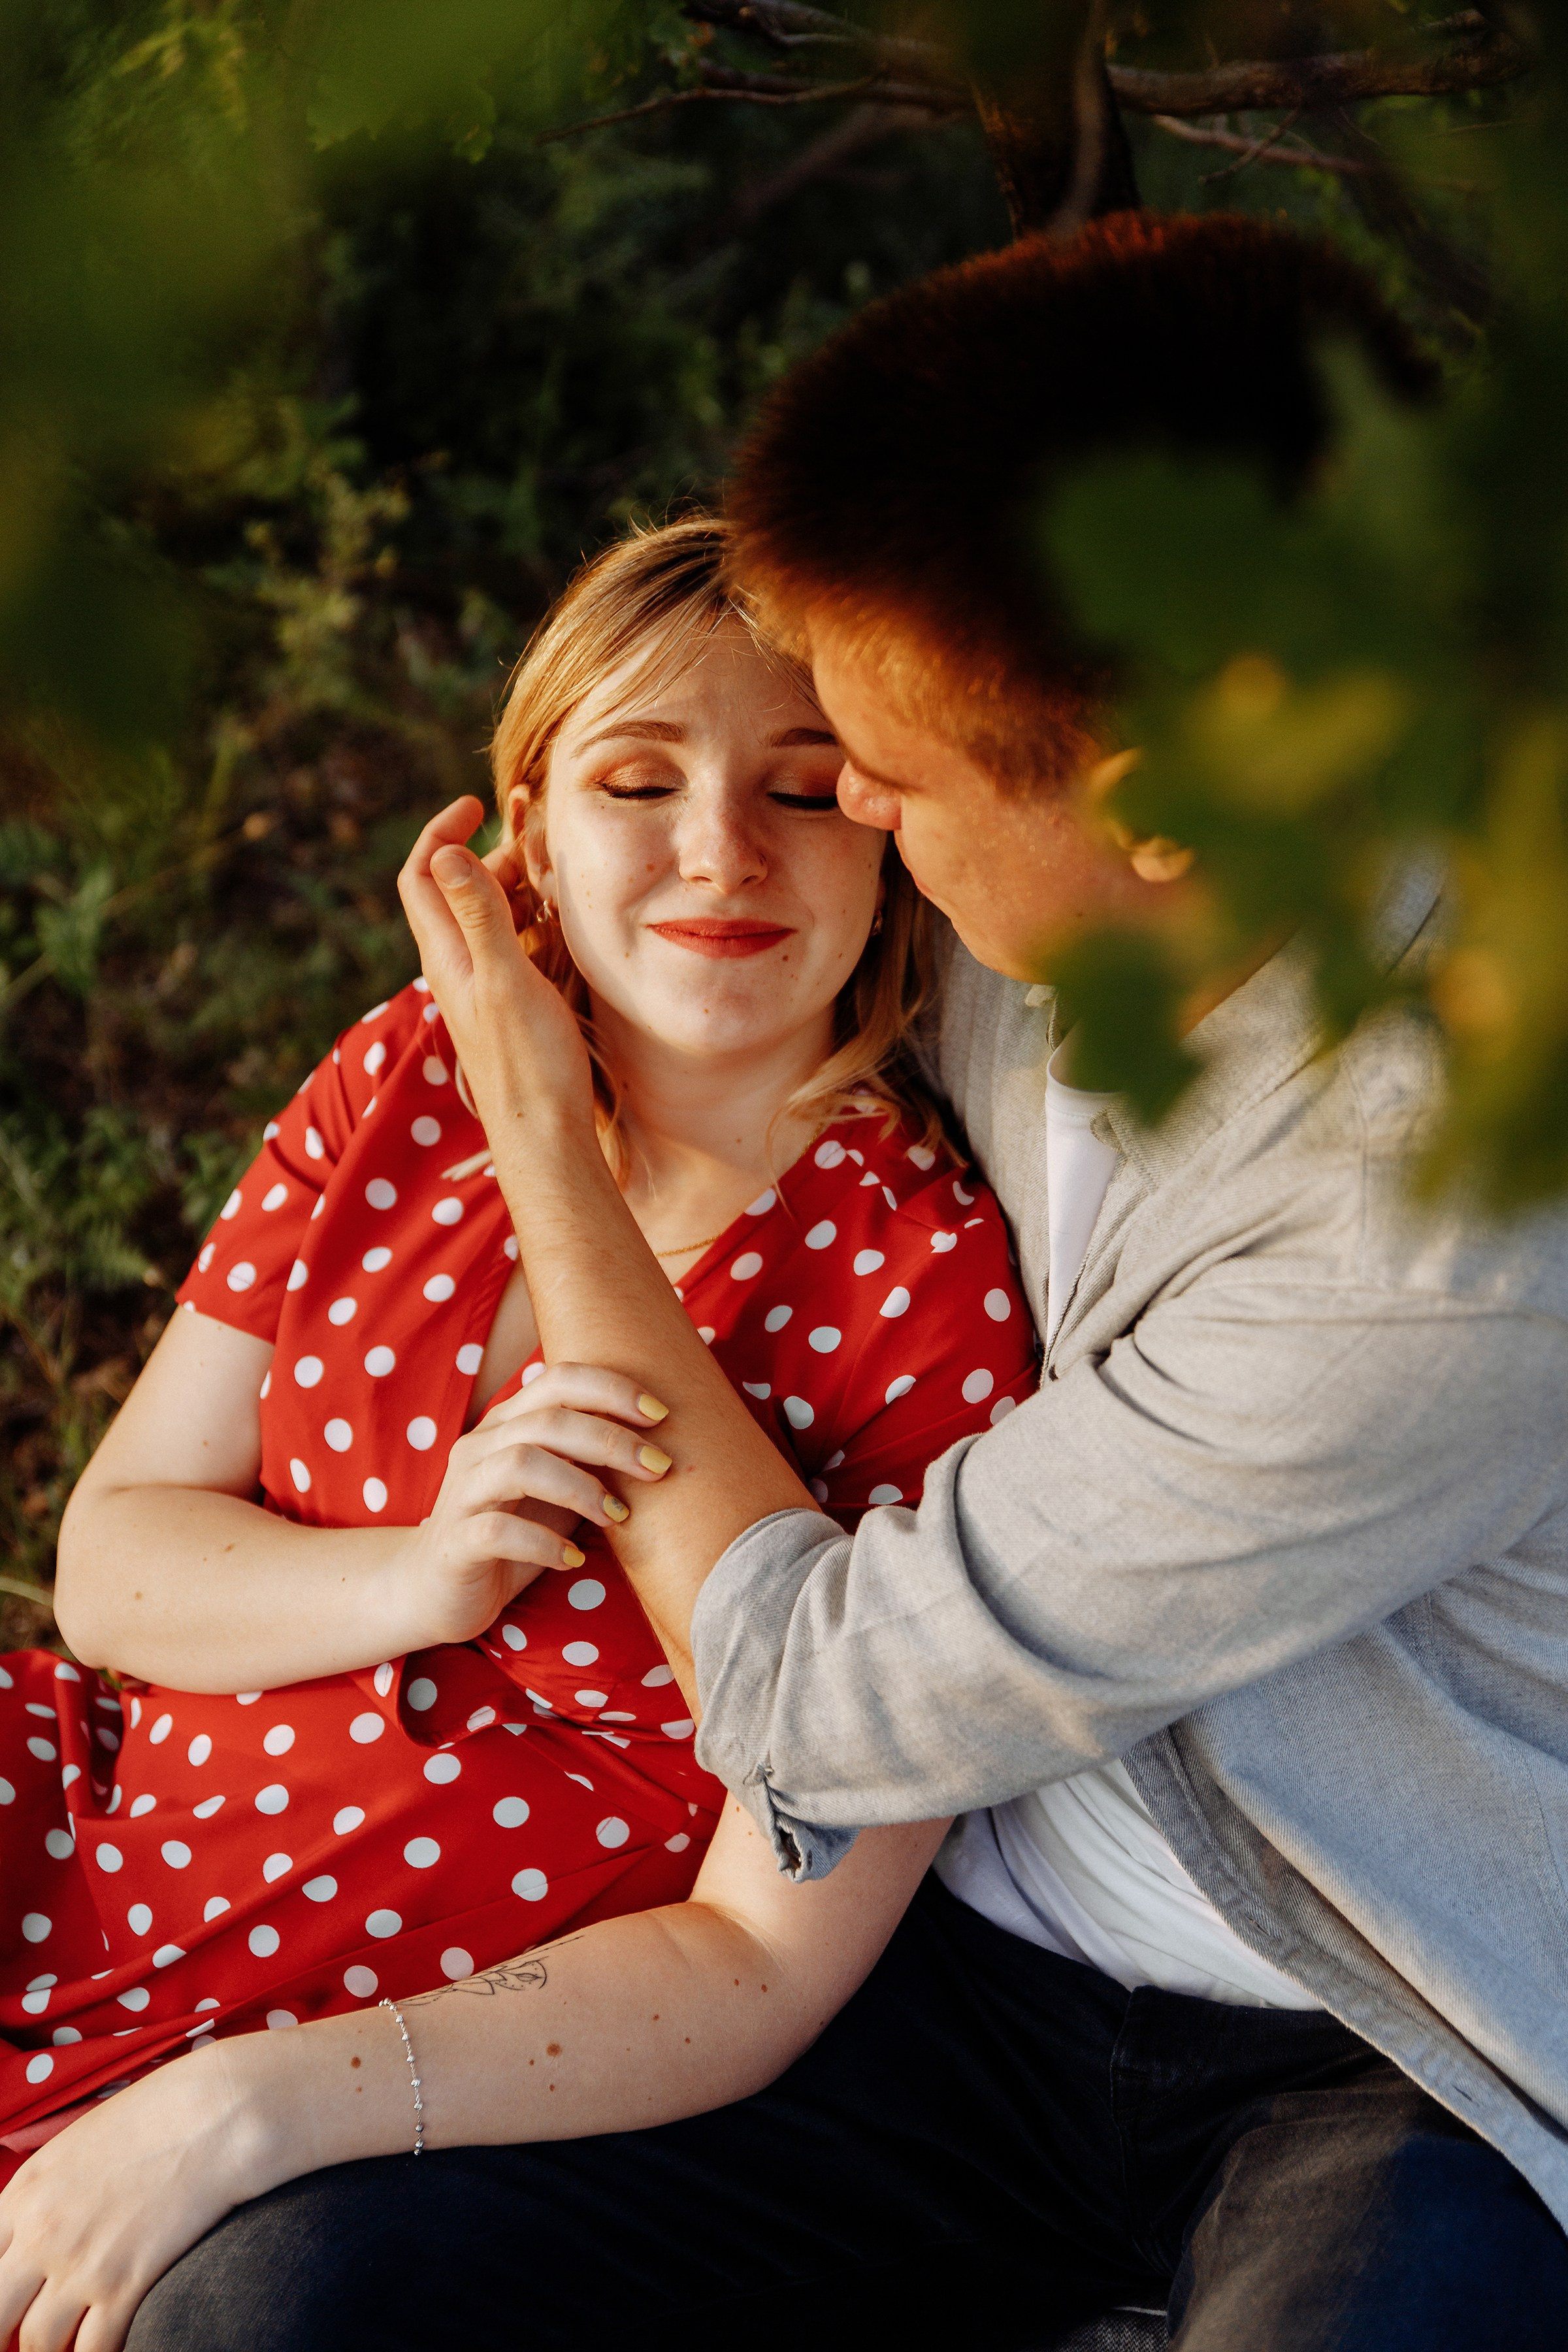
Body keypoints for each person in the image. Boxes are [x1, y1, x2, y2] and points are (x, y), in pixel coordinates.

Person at [105, 211, 1568, 2350]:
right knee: (286, 2305)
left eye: (872, 765)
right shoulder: (1024, 902)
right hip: (947, 1974)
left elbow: (826, 1698)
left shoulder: (1439, 1232)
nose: (838, 808)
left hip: (1374, 2033)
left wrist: (544, 1148)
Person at [0, 522, 1036, 2344]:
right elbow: (114, 1558)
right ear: (528, 827)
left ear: (900, 837)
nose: (722, 848)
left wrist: (239, 2108)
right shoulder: (410, 1074)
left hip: (420, 2023)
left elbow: (759, 1956)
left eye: (805, 791)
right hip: (97, 1848)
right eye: (641, 779)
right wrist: (414, 1579)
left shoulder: (928, 1287)